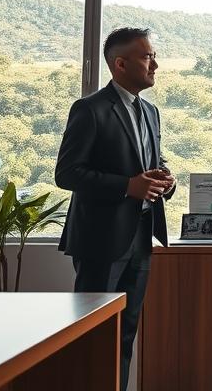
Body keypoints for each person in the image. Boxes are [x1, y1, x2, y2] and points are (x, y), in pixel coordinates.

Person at [56, 27, 175, 391]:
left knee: (126, 334)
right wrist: (127, 186)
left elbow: (146, 163)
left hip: (140, 238)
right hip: (100, 242)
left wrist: (164, 180)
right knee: (92, 335)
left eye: (153, 55)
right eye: (147, 57)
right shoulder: (90, 109)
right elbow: (67, 173)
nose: (155, 64)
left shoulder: (150, 112)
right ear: (120, 64)